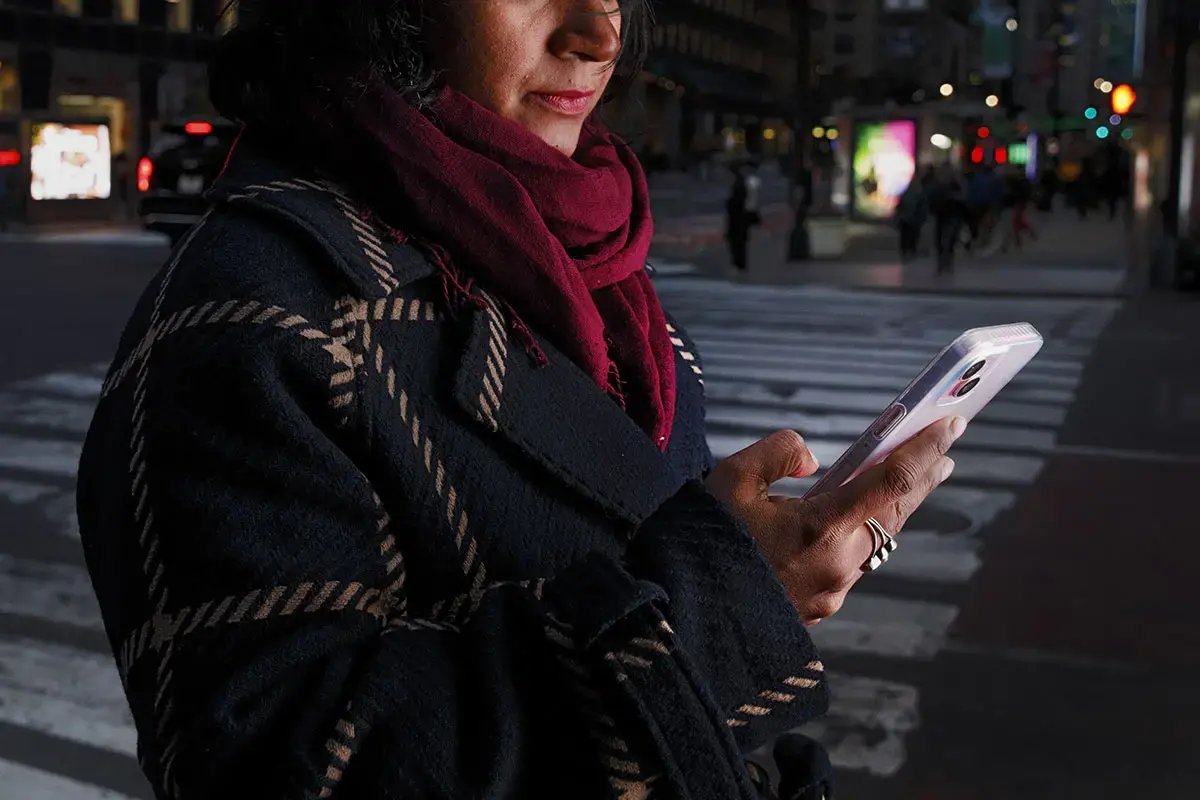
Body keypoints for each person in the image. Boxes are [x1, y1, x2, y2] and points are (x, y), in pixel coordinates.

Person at [76, 2, 964, 798]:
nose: (599, 35)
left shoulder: (594, 272)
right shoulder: (255, 312)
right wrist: (729, 596)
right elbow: (284, 765)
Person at [725, 160, 761, 271]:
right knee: (739, 241)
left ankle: (739, 263)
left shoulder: (740, 183)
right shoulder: (741, 182)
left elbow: (739, 200)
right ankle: (739, 263)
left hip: (738, 217)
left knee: (737, 241)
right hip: (740, 217)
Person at [894, 172, 930, 262]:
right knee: (911, 236)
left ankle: (907, 251)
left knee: (907, 237)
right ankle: (909, 251)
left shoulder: (907, 194)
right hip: (911, 220)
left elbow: (900, 206)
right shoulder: (919, 194)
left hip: (908, 220)